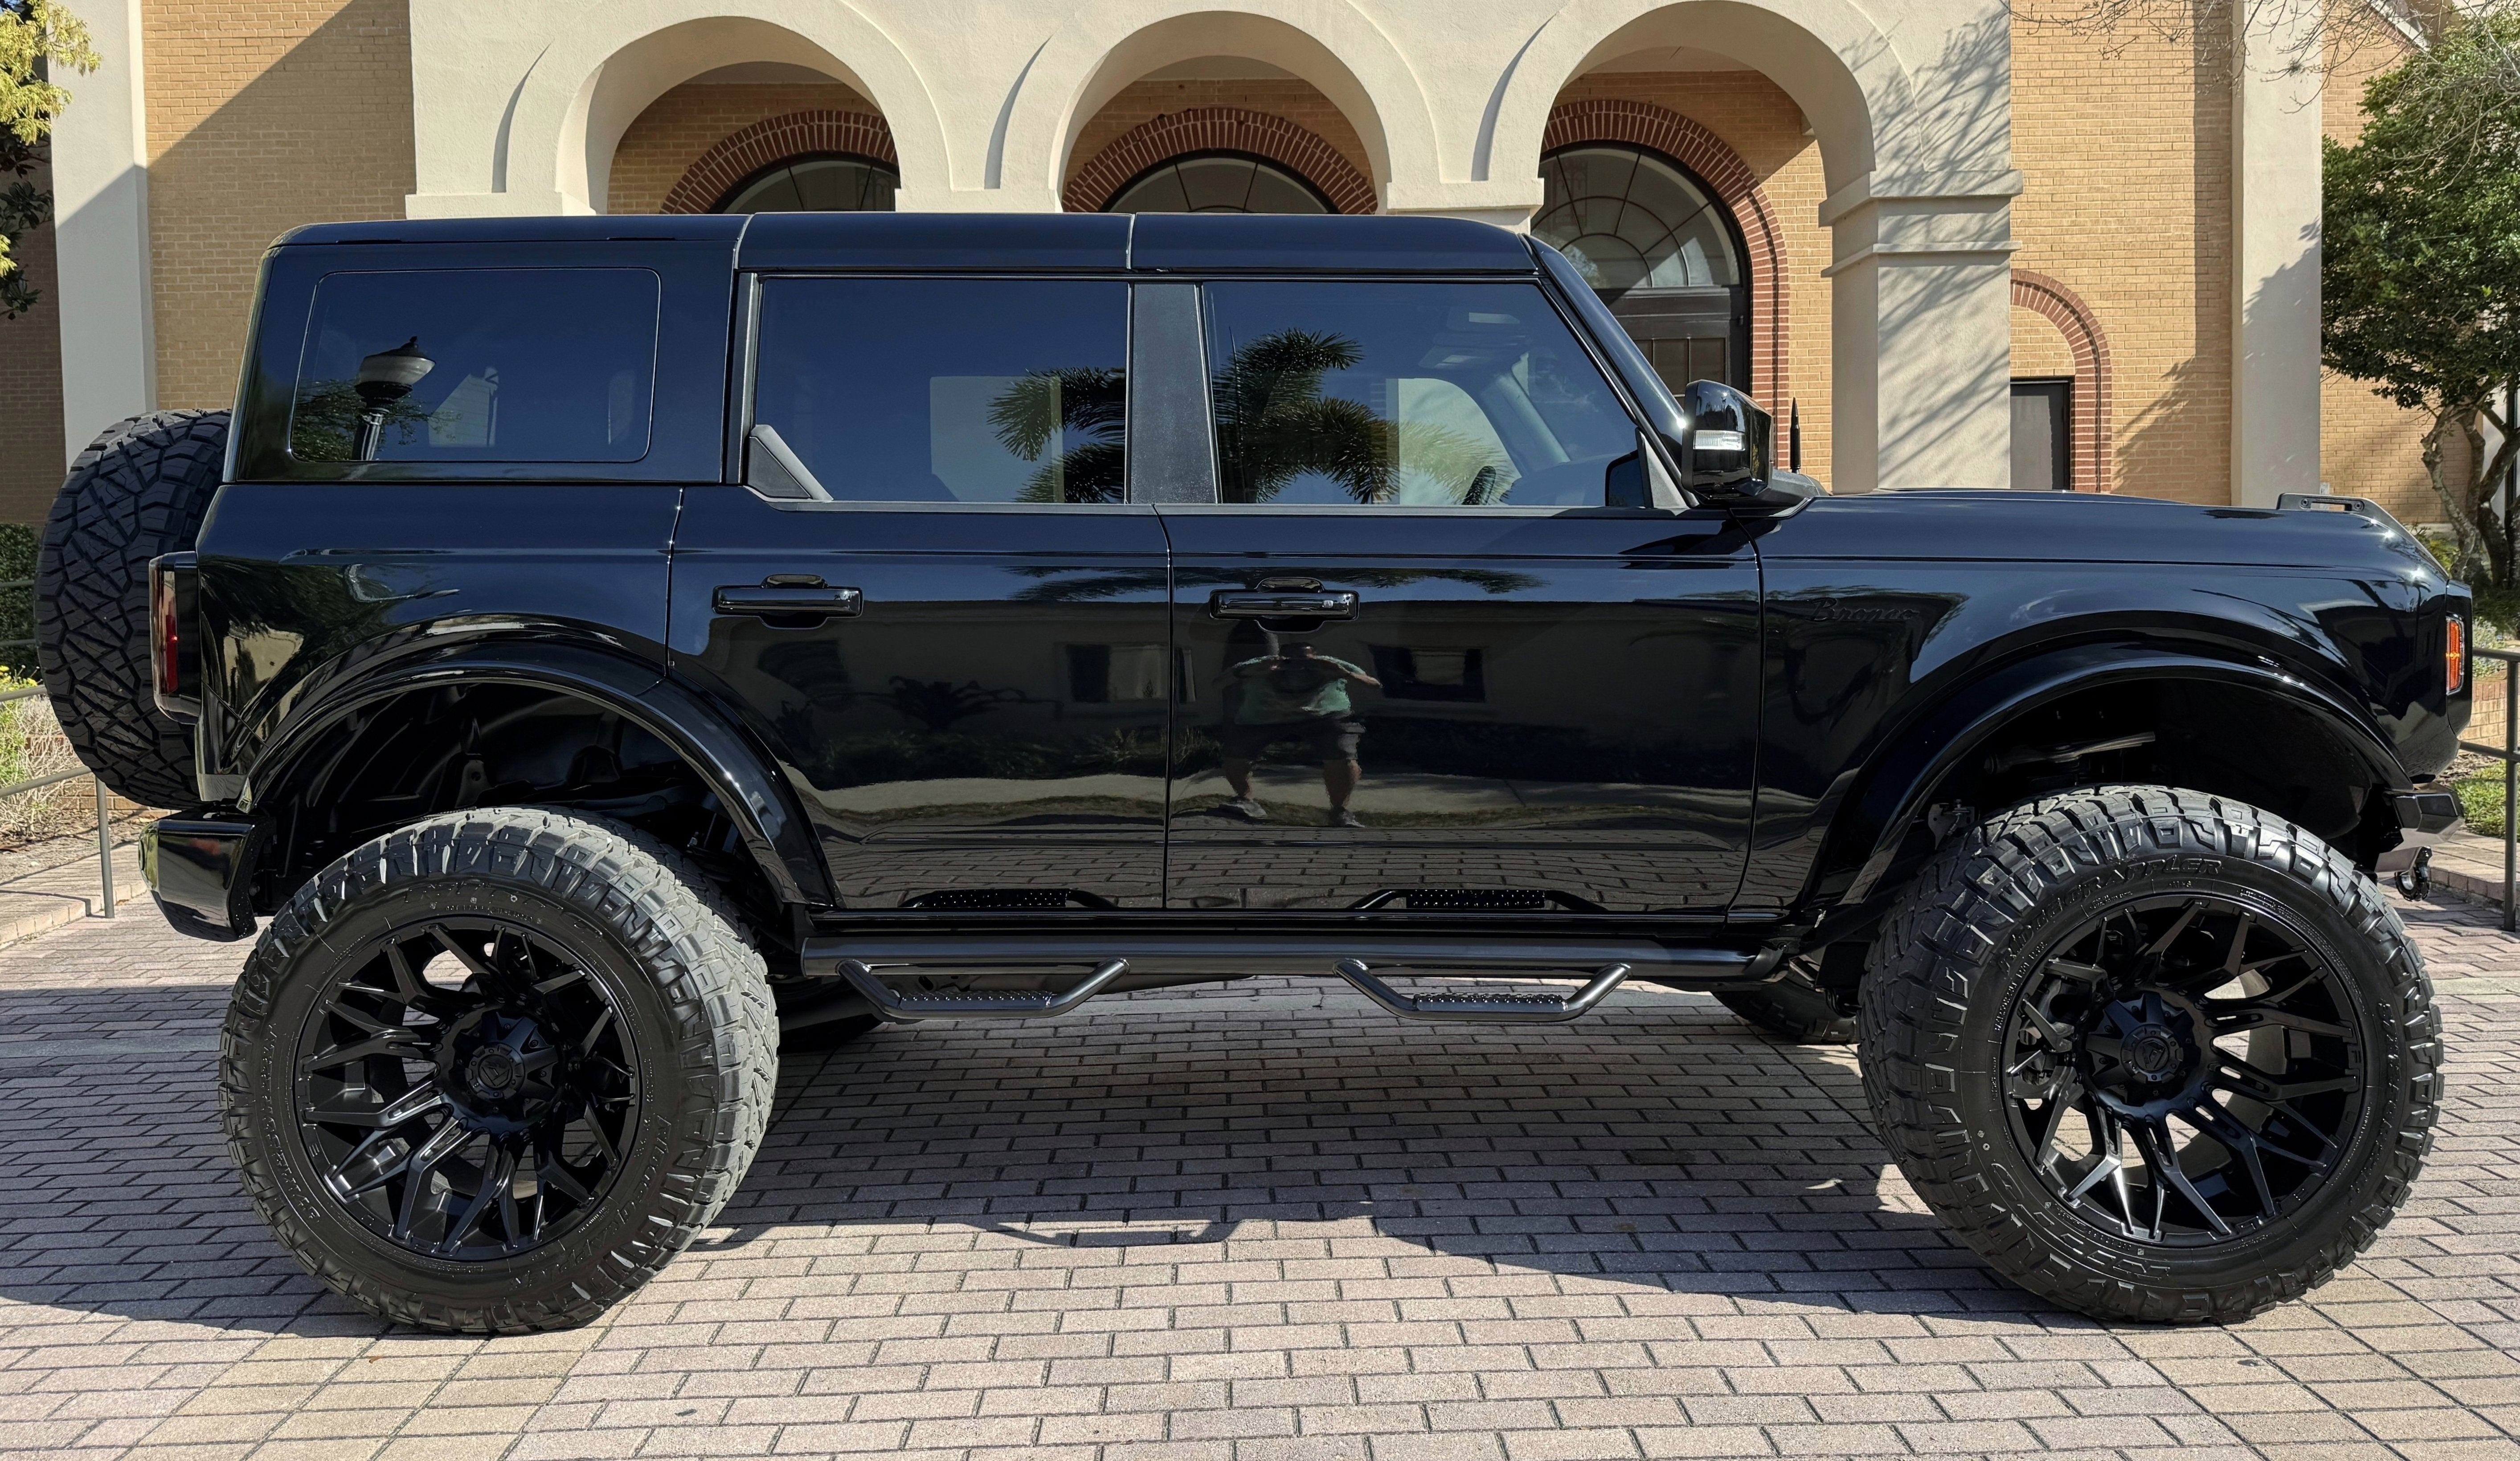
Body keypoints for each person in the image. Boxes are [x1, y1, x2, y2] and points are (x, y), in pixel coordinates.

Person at [1215, 638, 1381, 827]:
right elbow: (1219, 683)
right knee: (1235, 752)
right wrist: (1251, 672)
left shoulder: (1330, 664)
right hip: (1264, 717)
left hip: (1325, 716)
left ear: (1316, 657)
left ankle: (1340, 811)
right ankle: (1245, 800)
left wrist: (1345, 673)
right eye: (1289, 661)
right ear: (1279, 658)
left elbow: (1374, 684)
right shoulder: (1261, 664)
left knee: (1342, 754)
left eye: (1306, 661)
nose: (1298, 666)